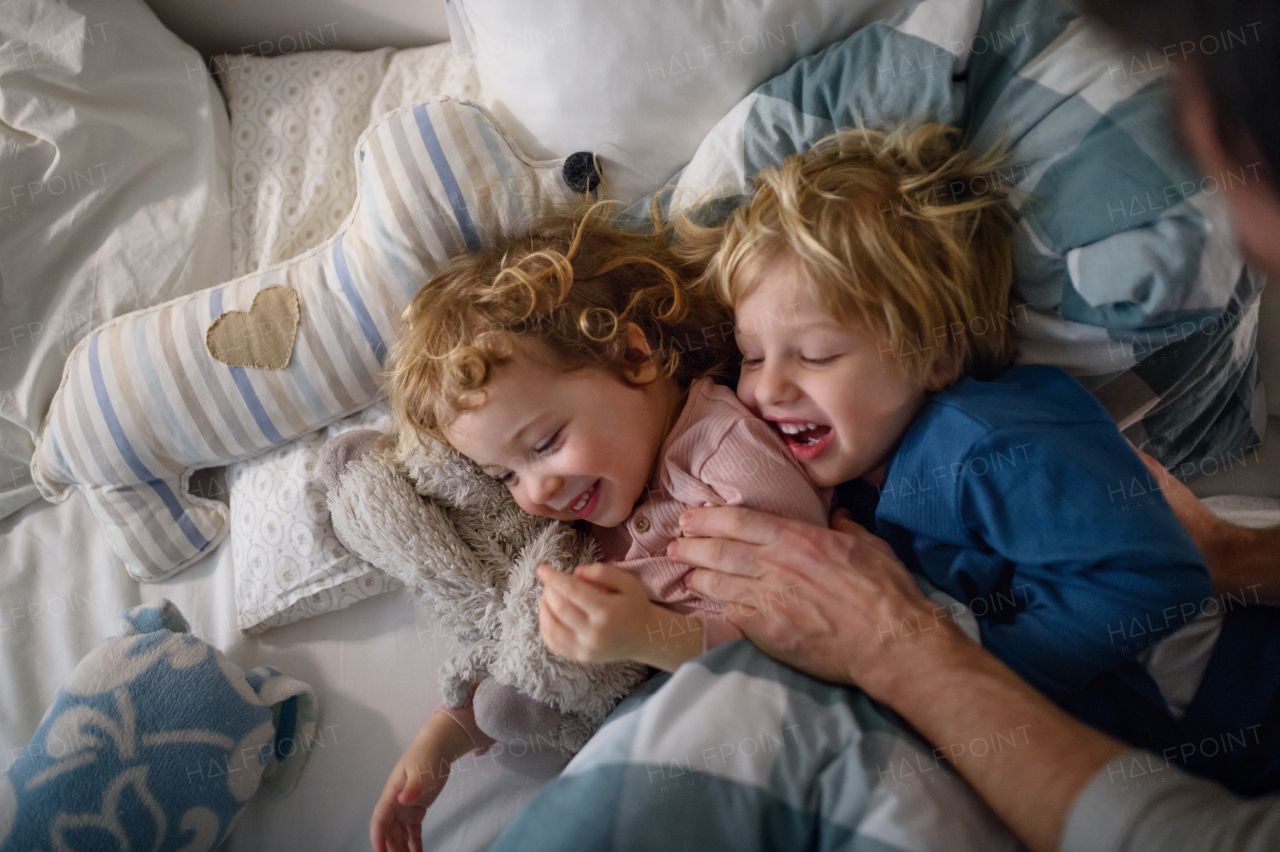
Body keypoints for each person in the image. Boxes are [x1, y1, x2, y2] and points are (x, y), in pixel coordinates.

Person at [669, 2, 1280, 850]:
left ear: (931, 353)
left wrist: (966, 650)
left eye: (812, 354)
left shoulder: (986, 442)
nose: (766, 388)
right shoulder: (865, 467)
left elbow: (1157, 580)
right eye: (751, 355)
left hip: (1238, 718)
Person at [368, 204, 831, 852]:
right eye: (504, 475)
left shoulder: (728, 457)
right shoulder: (590, 515)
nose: (536, 491)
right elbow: (528, 655)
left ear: (634, 356)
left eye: (547, 442)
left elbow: (805, 629)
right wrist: (441, 740)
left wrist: (652, 635)